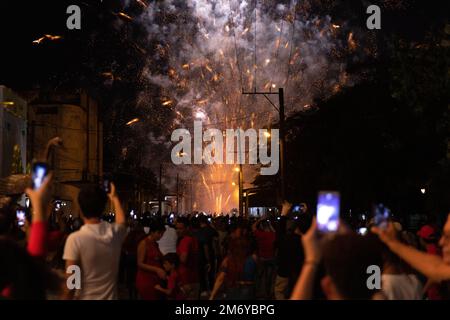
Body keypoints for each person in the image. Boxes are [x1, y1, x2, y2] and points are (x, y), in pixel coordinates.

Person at [62, 183, 127, 300]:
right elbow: (122, 222)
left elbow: (71, 282)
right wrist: (115, 197)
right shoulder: (114, 233)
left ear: (80, 210)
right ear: (102, 208)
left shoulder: (75, 239)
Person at [291, 218, 384, 300]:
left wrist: (312, 261)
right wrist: (353, 244)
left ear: (327, 286)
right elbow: (377, 291)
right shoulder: (377, 290)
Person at [372, 213, 450, 297]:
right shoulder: (414, 281)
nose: (441, 242)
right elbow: (436, 267)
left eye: (448, 237)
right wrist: (393, 243)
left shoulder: (380, 284)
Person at [135, 219, 166, 300]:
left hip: (154, 279)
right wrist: (157, 269)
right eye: (159, 233)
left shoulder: (155, 243)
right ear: (152, 232)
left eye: (162, 234)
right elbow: (140, 263)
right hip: (146, 279)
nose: (160, 236)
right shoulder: (144, 243)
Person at [175, 217, 200, 300]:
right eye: (177, 228)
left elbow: (183, 259)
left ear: (187, 228)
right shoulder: (194, 239)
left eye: (181, 228)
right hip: (194, 277)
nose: (178, 231)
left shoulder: (185, 241)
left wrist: (174, 258)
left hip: (185, 279)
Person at [252, 218, 276, 299]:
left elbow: (253, 227)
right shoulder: (273, 235)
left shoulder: (260, 234)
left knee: (260, 276)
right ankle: (268, 292)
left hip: (262, 258)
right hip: (271, 258)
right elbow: (274, 230)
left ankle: (259, 292)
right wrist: (270, 224)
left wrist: (259, 220)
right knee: (269, 277)